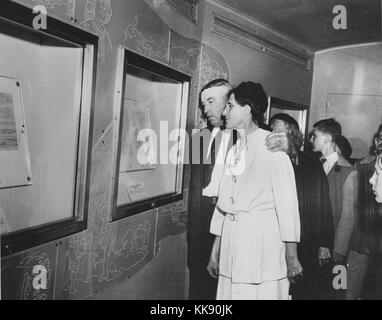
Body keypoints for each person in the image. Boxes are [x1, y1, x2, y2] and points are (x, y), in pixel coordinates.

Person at [207, 82, 301, 300]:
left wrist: (291, 255)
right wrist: (215, 250)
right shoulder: (233, 151)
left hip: (261, 251)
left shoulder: (273, 148)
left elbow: (287, 207)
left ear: (247, 109)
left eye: (230, 106)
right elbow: (225, 205)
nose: (225, 112)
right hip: (232, 246)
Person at [269, 113, 334, 300]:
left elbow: (324, 204)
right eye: (272, 130)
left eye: (279, 130)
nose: (274, 134)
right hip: (278, 239)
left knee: (303, 290)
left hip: (307, 239)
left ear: (293, 134)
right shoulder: (270, 162)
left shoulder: (311, 162)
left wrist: (324, 243)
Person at [187, 79, 234, 300]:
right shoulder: (199, 138)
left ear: (228, 102)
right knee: (199, 289)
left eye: (211, 101)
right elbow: (194, 189)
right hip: (200, 226)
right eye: (203, 103)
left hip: (229, 227)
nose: (205, 109)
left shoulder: (246, 138)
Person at [310, 118, 358, 299]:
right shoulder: (314, 165)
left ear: (327, 138)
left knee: (337, 291)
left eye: (314, 136)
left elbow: (348, 218)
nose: (311, 140)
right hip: (315, 242)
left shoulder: (348, 172)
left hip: (336, 248)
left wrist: (338, 252)